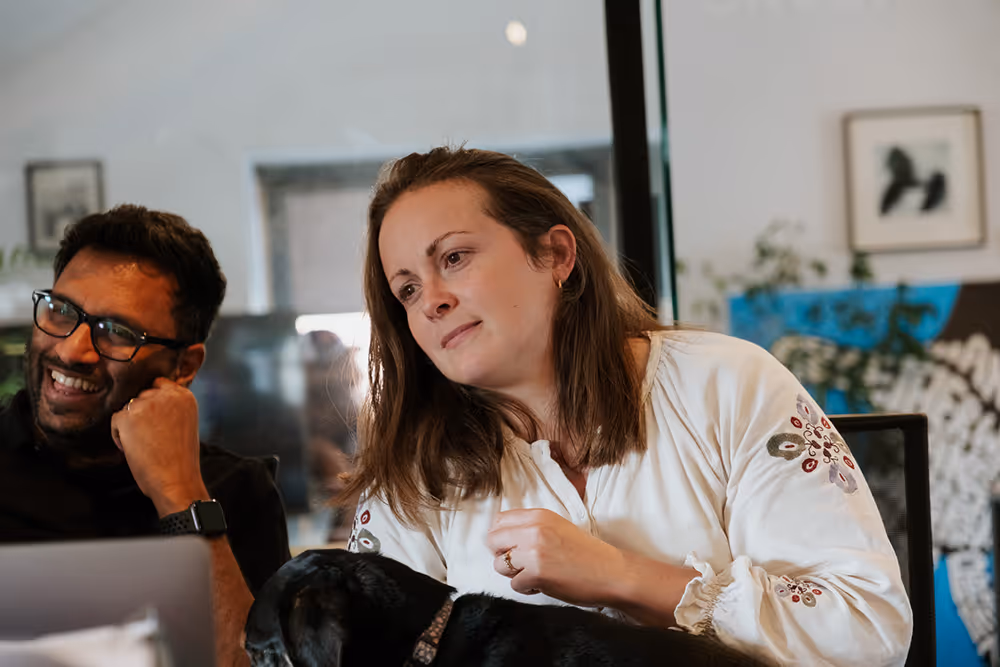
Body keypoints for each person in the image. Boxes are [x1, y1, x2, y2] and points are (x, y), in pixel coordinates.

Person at [341, 147, 913, 665]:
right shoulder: (410, 475)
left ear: (556, 253)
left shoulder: (728, 385)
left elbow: (868, 628)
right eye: (408, 289)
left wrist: (622, 576)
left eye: (456, 258)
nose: (433, 301)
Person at [0, 205, 290, 667]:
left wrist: (179, 495)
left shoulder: (236, 490)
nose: (72, 350)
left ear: (184, 366)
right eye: (61, 310)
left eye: (116, 332)